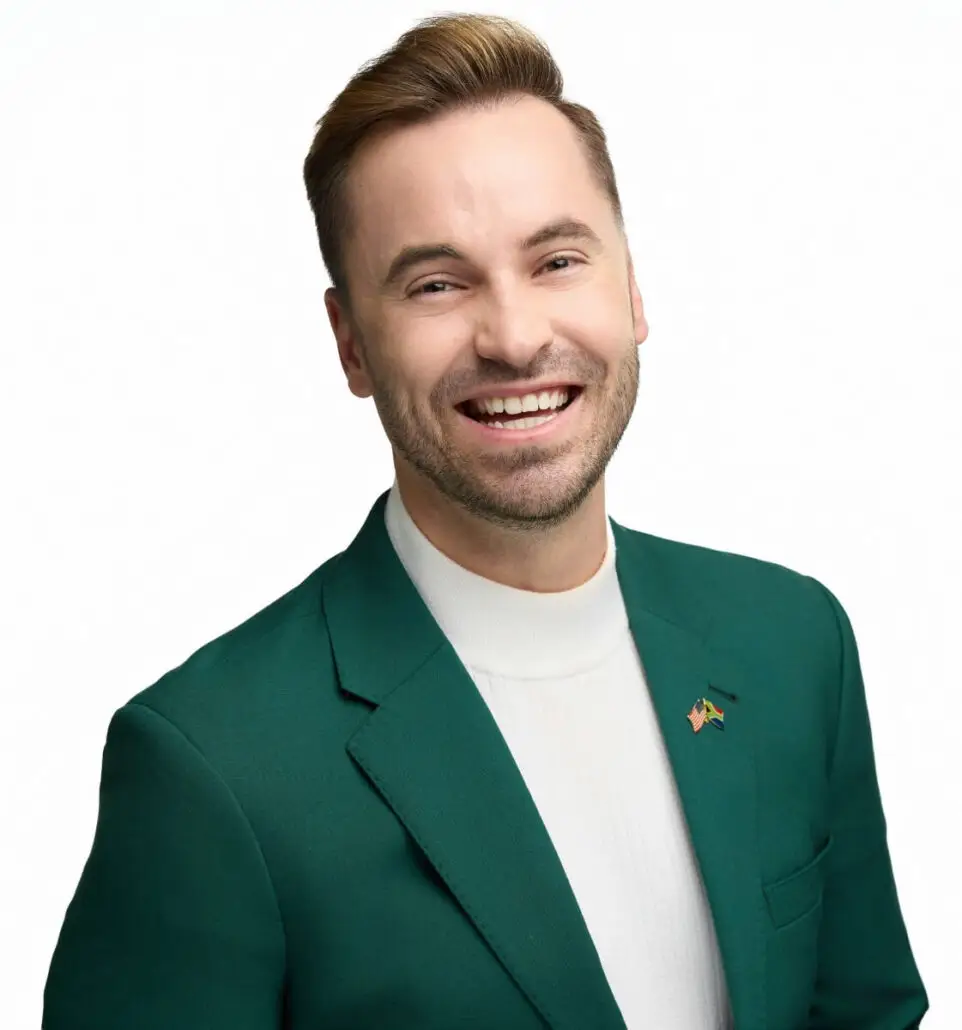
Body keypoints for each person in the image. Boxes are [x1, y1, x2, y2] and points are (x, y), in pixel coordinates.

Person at [43, 12, 928, 1030]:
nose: (513, 335)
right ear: (350, 345)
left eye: (556, 260)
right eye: (435, 283)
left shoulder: (790, 640)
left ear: (631, 285)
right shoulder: (209, 768)